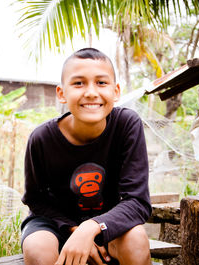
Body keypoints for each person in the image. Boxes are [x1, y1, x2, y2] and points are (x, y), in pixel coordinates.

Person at [21, 47, 152, 265]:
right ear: (61, 93)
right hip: (55, 225)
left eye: (101, 83)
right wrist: (75, 230)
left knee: (136, 240)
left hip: (107, 223)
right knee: (38, 249)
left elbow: (137, 201)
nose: (91, 92)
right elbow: (36, 200)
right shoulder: (41, 139)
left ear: (116, 91)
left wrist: (91, 227)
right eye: (79, 83)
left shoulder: (127, 125)